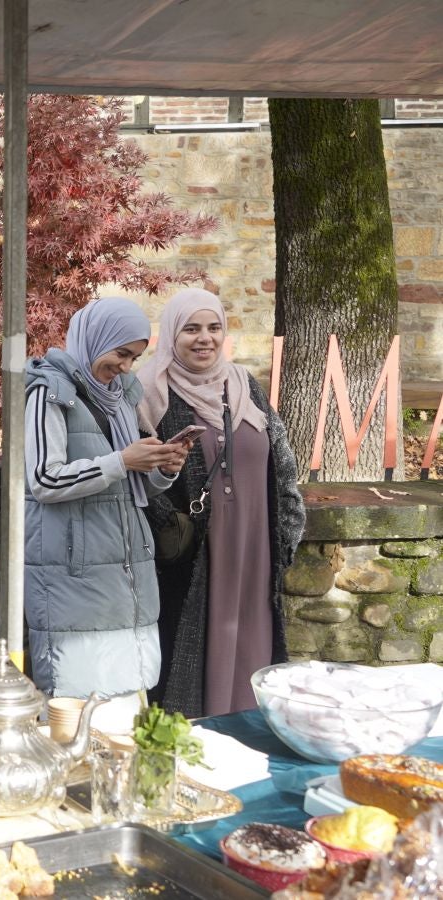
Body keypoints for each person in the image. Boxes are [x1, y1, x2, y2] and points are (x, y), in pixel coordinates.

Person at [136, 288, 305, 718]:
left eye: (213, 327)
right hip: (194, 554)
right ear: (172, 335)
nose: (204, 338)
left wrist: (285, 540)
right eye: (191, 329)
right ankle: (200, 731)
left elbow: (282, 465)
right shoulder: (151, 394)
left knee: (253, 637)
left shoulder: (244, 385)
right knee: (191, 644)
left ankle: (248, 730)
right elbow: (137, 482)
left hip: (255, 545)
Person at [23, 297, 189, 703]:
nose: (127, 367)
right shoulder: (49, 392)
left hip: (125, 568)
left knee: (126, 701)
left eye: (135, 357)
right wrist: (122, 460)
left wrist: (163, 468)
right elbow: (44, 479)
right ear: (96, 340)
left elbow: (129, 489)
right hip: (73, 573)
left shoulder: (120, 399)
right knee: (77, 701)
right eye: (121, 354)